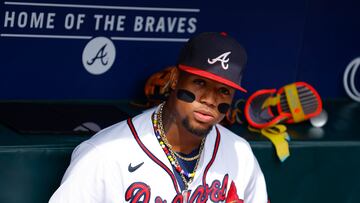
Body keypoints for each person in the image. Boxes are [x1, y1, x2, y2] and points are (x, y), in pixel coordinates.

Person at [49, 32, 268, 203]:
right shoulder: (105, 155)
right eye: (200, 83)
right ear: (175, 79)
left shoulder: (240, 154)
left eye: (224, 91)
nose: (210, 99)